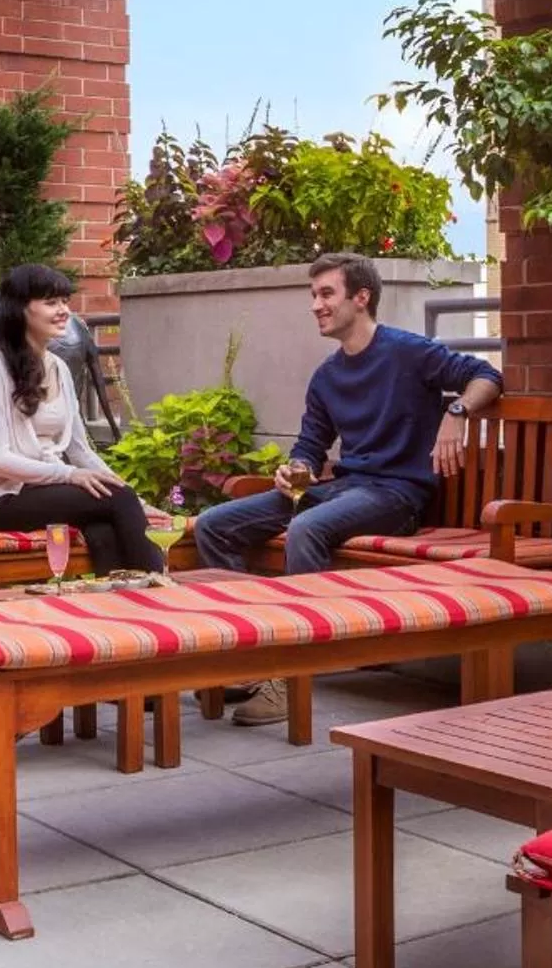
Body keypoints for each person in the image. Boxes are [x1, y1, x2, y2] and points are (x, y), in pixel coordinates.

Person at [193, 252, 504, 725]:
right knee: (215, 524)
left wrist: (454, 415)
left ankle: (290, 678)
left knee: (307, 530)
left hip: (396, 495)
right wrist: (295, 469)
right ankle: (251, 656)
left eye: (326, 294)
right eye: (313, 296)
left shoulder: (407, 351)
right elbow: (311, 446)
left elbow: (487, 376)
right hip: (343, 489)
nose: (316, 305)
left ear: (361, 298)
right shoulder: (327, 376)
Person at [0, 264, 166, 575]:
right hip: (7, 498)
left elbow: (80, 450)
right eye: (51, 303)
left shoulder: (59, 368)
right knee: (117, 501)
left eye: (65, 301)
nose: (64, 311)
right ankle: (160, 588)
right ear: (20, 309)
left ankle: (113, 606)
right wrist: (69, 475)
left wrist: (130, 492)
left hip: (51, 488)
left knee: (104, 528)